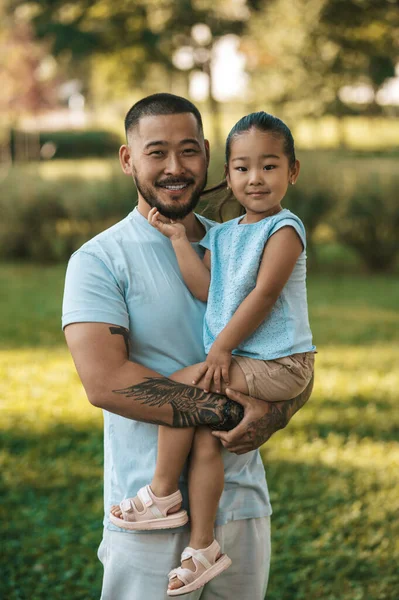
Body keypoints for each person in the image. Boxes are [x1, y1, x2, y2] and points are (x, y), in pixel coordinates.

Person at [62, 93, 314, 600]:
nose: (175, 168)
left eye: (188, 151)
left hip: (240, 505)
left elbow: (287, 350)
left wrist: (279, 410)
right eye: (156, 152)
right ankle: (162, 494)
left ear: (206, 155)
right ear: (128, 159)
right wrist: (229, 411)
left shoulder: (244, 241)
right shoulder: (99, 259)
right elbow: (106, 385)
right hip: (149, 519)